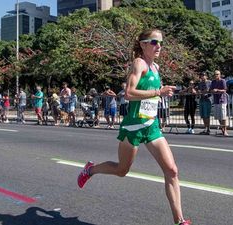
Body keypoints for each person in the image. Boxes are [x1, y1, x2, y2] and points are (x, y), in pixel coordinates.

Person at [77, 29, 191, 225]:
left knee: (172, 170)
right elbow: (129, 93)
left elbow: (152, 94)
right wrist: (158, 91)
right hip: (134, 126)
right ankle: (90, 169)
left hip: (152, 125)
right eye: (154, 42)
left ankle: (179, 221)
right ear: (143, 44)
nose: (159, 46)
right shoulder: (139, 63)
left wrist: (162, 94)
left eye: (160, 43)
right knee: (122, 170)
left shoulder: (155, 67)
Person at [210, 70, 228, 136]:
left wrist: (217, 90)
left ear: (220, 75)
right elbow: (210, 90)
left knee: (223, 117)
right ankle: (222, 130)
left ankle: (225, 130)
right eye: (215, 74)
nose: (216, 75)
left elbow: (225, 90)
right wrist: (213, 90)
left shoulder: (222, 81)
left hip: (222, 100)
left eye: (217, 74)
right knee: (218, 117)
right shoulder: (213, 82)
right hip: (216, 100)